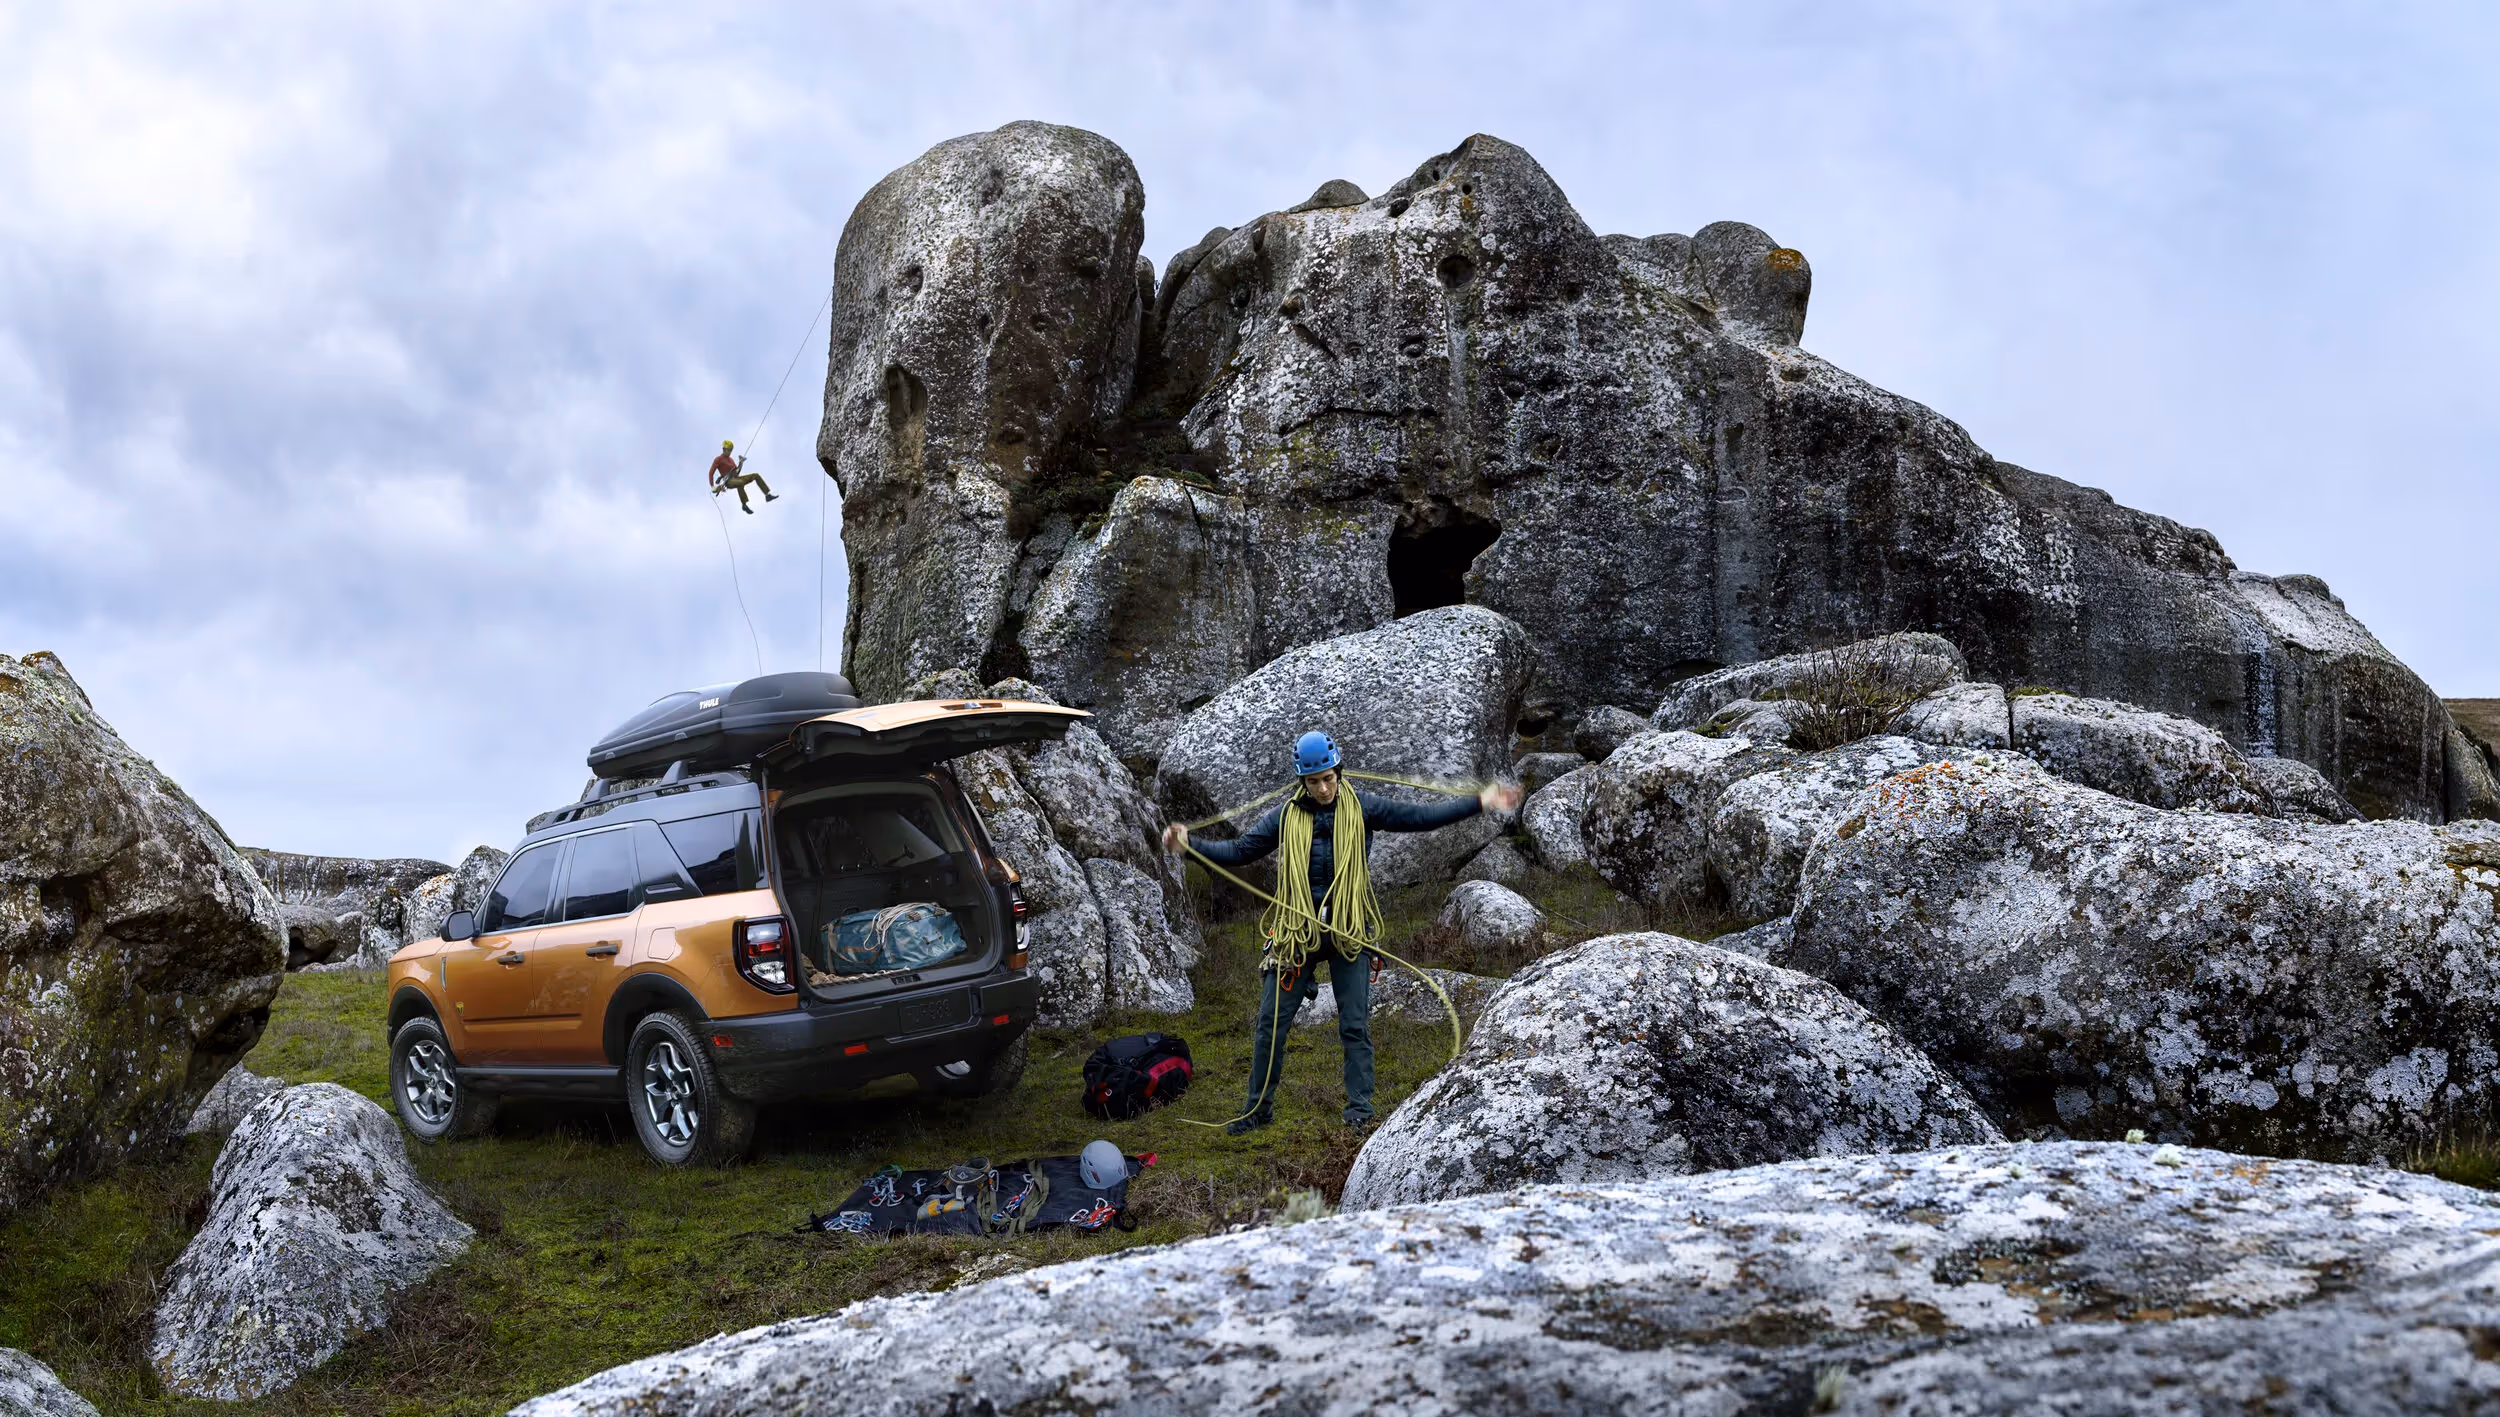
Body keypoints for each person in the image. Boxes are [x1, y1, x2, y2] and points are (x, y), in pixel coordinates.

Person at [1161, 730, 1522, 1134]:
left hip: (1349, 932)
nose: (1323, 788)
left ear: (1339, 771)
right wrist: (1191, 844)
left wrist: (1482, 801)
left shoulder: (1363, 807)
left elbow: (1421, 818)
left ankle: (1359, 1114)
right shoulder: (1284, 817)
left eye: (1329, 778)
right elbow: (1241, 850)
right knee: (1270, 1023)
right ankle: (1257, 1111)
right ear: (1301, 781)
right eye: (1314, 782)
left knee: (1354, 1024)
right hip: (1296, 932)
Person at [708, 439, 778, 513]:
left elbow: (736, 472)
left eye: (731, 450)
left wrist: (741, 463)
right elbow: (711, 473)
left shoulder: (731, 460)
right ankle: (744, 505)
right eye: (728, 450)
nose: (730, 452)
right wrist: (712, 486)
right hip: (728, 481)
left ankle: (767, 495)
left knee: (755, 475)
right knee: (740, 483)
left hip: (736, 478)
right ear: (724, 449)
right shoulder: (718, 459)